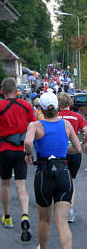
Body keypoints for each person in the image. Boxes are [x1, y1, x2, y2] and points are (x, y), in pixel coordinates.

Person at [24, 92, 82, 249]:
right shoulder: (66, 125)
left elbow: (28, 142)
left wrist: (28, 155)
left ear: (41, 108)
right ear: (57, 107)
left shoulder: (35, 125)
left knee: (44, 220)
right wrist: (62, 151)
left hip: (44, 174)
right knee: (62, 223)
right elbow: (77, 149)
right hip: (63, 172)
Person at [0, 77, 36, 242]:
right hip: (21, 149)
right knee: (21, 186)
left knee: (5, 183)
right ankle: (24, 215)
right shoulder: (26, 105)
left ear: (2, 91)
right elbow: (33, 126)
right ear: (16, 90)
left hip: (5, 149)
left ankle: (7, 217)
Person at [57, 92, 87, 222]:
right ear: (70, 102)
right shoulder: (78, 117)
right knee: (72, 182)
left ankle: (59, 209)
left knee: (59, 181)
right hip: (74, 152)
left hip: (59, 152)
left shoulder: (55, 116)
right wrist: (84, 142)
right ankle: (70, 211)